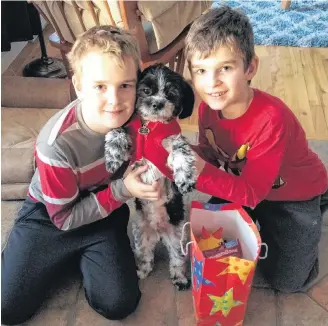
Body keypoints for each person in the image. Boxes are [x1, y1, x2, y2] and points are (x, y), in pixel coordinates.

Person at [1, 25, 161, 325]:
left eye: (125, 85)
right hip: (50, 215)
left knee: (118, 304)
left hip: (103, 206)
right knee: (6, 308)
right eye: (100, 86)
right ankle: (38, 254)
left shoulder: (140, 117)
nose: (115, 100)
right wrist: (123, 191)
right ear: (78, 84)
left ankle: (77, 256)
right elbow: (64, 219)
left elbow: (158, 150)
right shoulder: (55, 144)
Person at [182, 6, 328, 293]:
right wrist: (183, 153)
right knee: (211, 249)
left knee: (288, 283)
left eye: (225, 67)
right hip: (247, 185)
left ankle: (319, 202)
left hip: (292, 195)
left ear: (250, 68)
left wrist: (198, 173)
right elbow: (210, 151)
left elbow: (252, 192)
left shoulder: (271, 118)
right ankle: (265, 224)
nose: (212, 83)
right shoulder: (207, 109)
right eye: (201, 70)